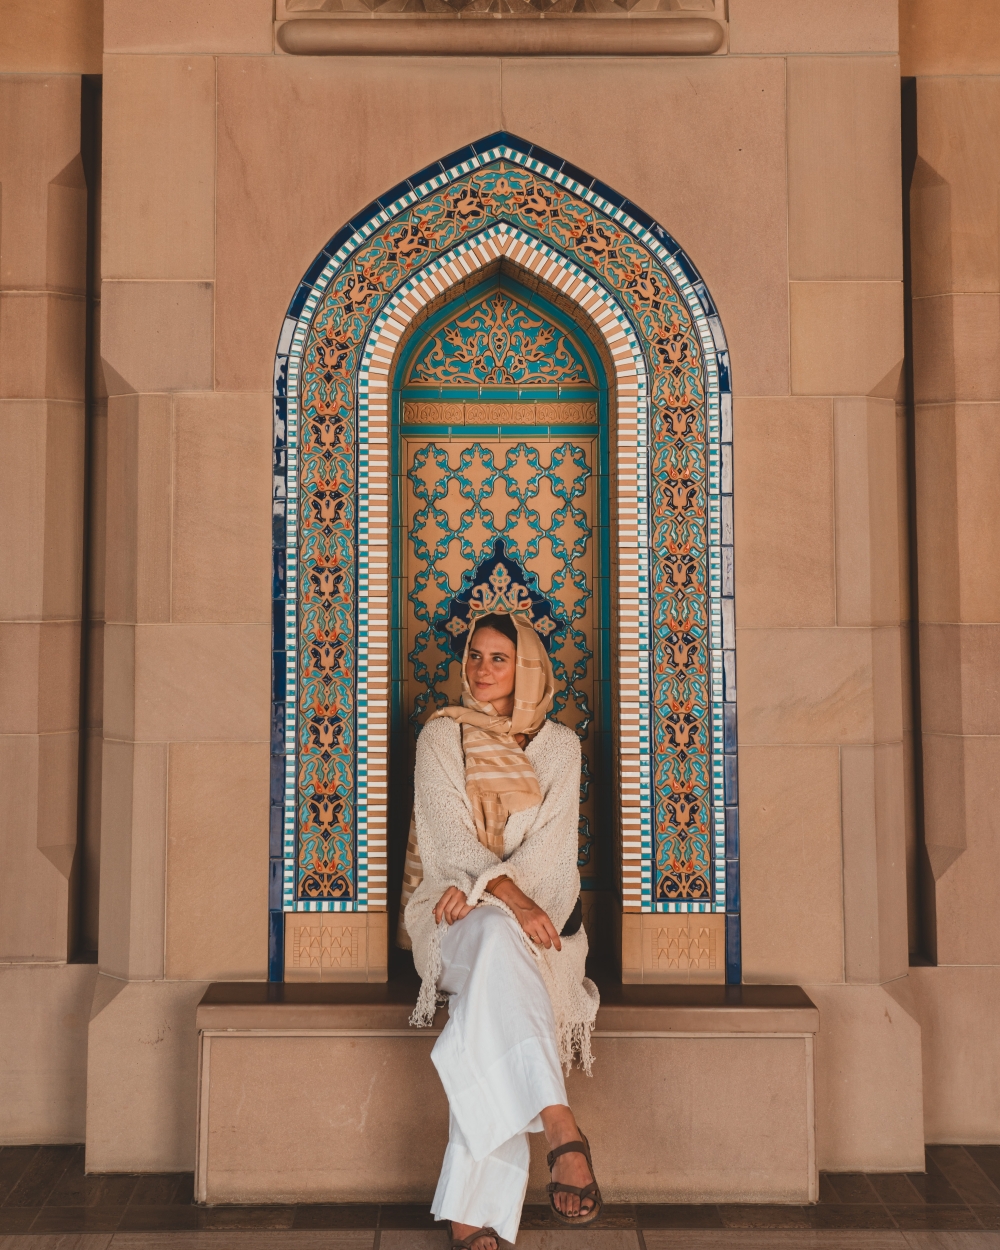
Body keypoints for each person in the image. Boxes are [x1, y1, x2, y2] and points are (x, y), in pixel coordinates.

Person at [404, 610, 602, 1250]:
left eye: (499, 658)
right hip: (448, 913)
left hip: (532, 922)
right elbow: (447, 840)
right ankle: (559, 1123)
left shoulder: (560, 747)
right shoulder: (442, 736)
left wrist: (500, 898)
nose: (482, 669)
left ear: (527, 668)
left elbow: (552, 857)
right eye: (475, 656)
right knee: (492, 937)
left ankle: (474, 1212)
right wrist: (500, 895)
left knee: (491, 982)